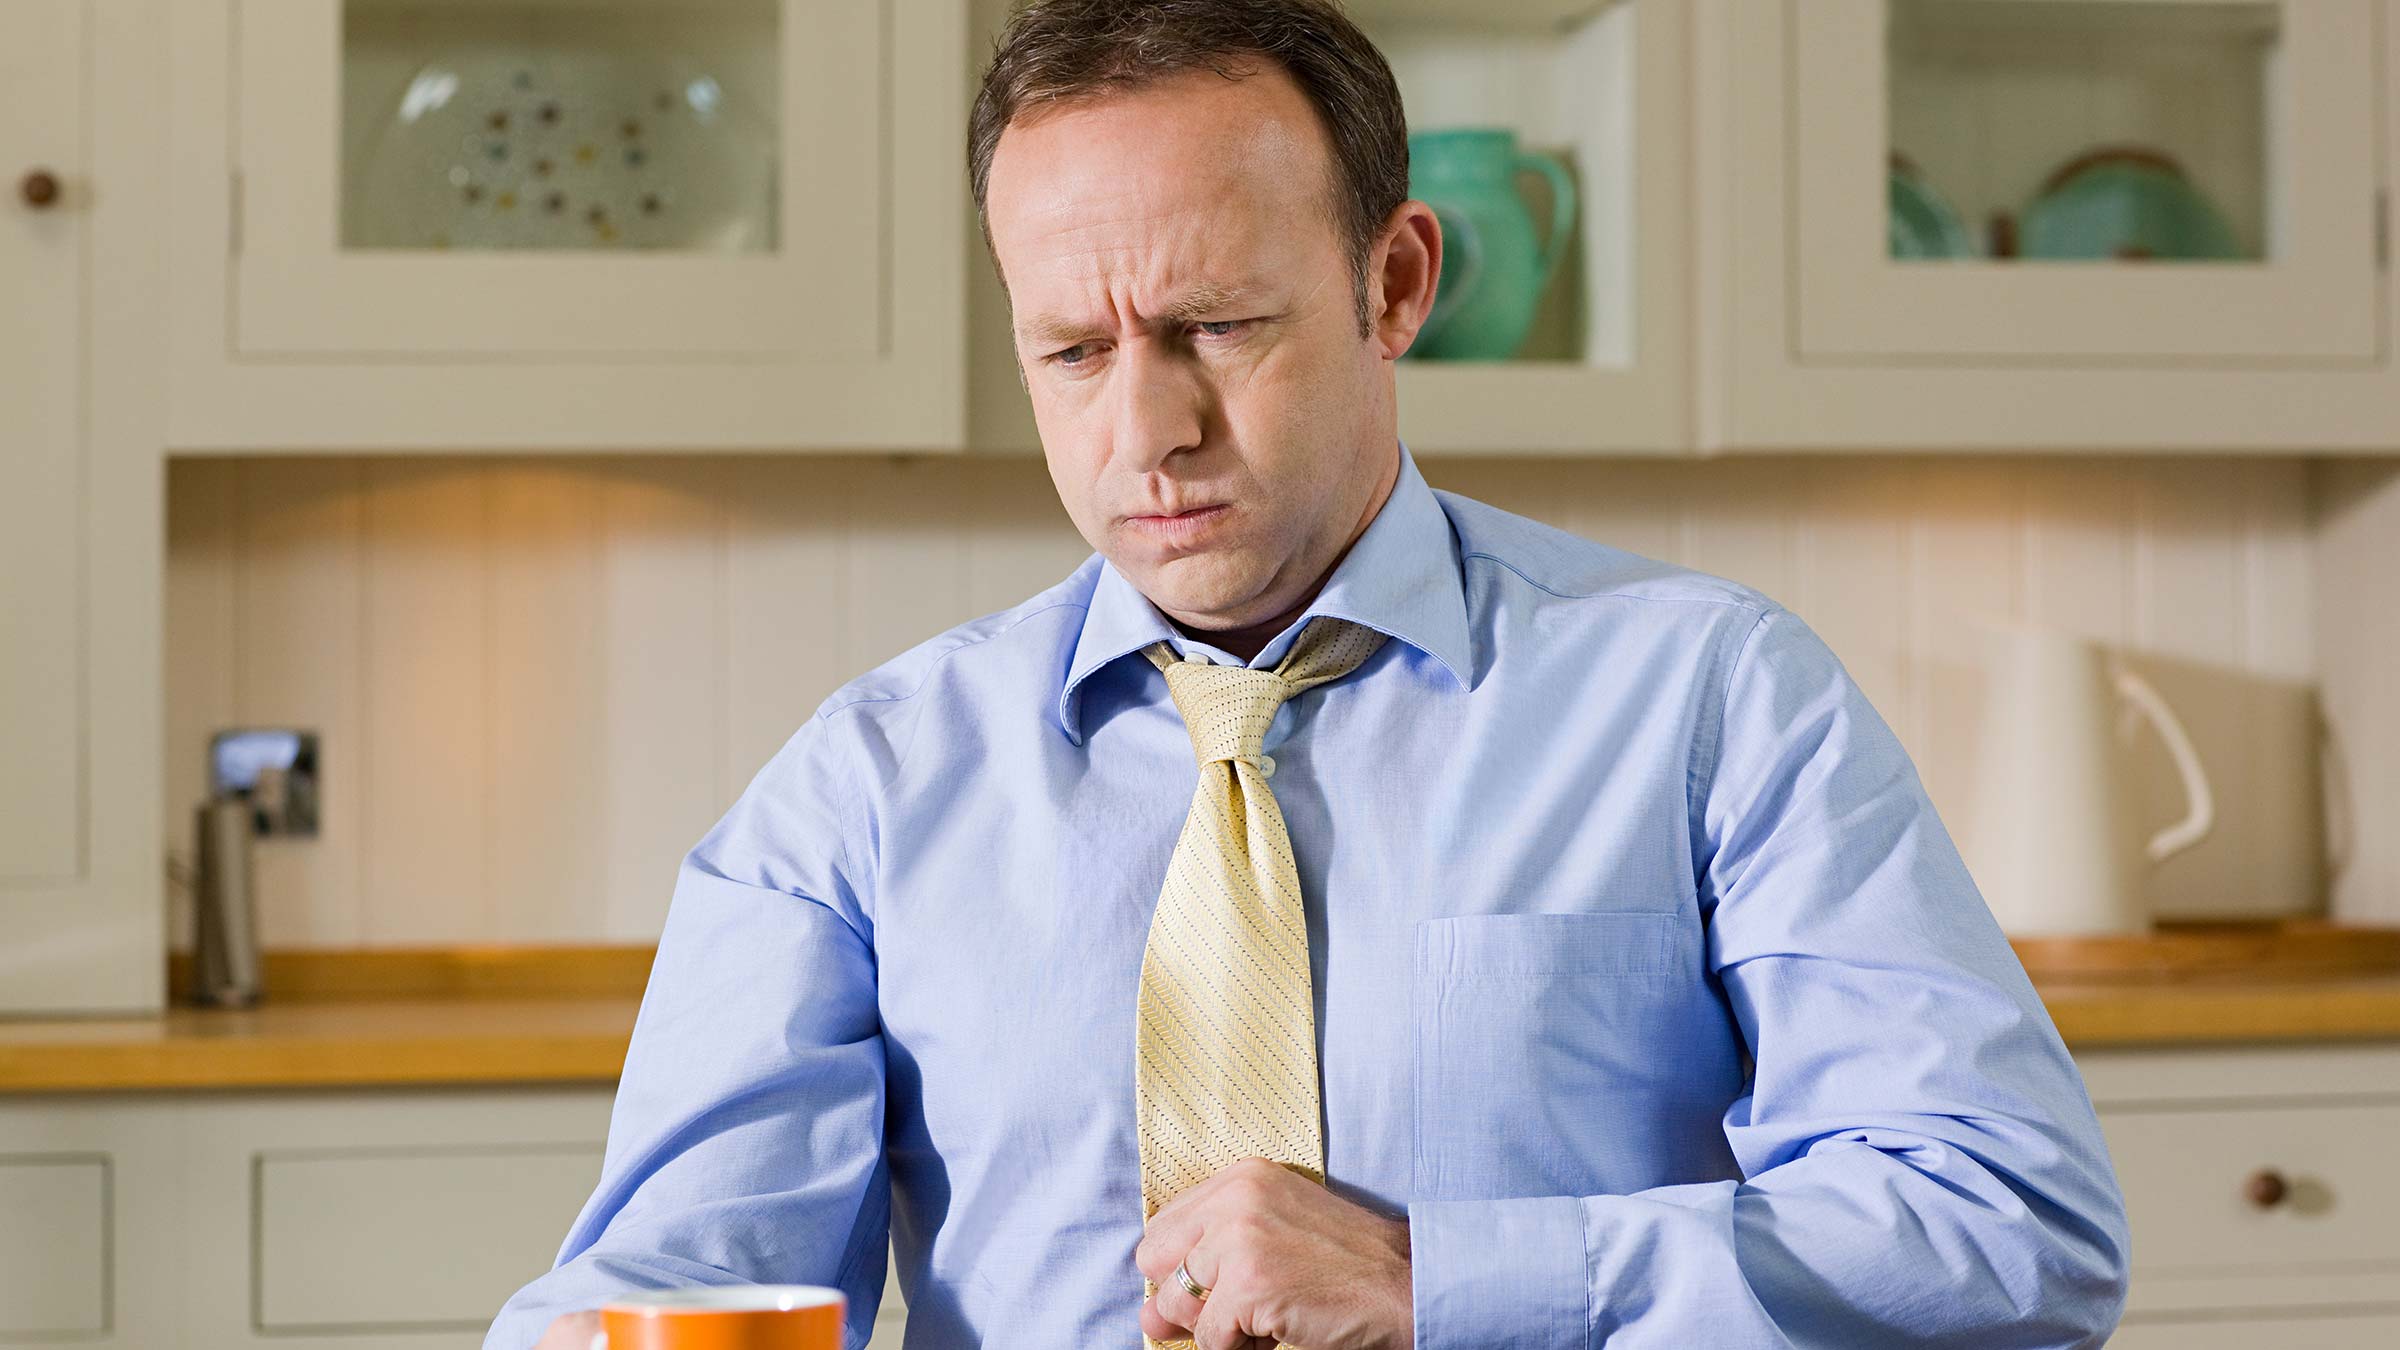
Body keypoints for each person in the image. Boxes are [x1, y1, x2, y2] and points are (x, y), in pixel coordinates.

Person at [488, 2, 2131, 1346]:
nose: (1147, 431)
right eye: (1072, 352)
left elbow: (2014, 1226)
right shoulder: (865, 789)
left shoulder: (1708, 699)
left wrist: (1443, 1278)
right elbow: (680, 1276)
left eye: (1214, 327)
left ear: (1396, 284)